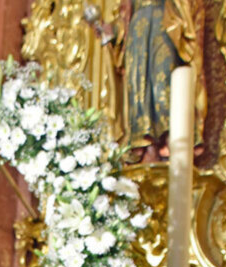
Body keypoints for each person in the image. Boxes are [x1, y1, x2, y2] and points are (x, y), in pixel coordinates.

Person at [87, 0, 206, 163]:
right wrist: (112, 30)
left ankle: (172, 146)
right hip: (137, 33)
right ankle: (148, 148)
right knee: (138, 92)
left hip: (164, 24)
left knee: (163, 85)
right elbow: (125, 20)